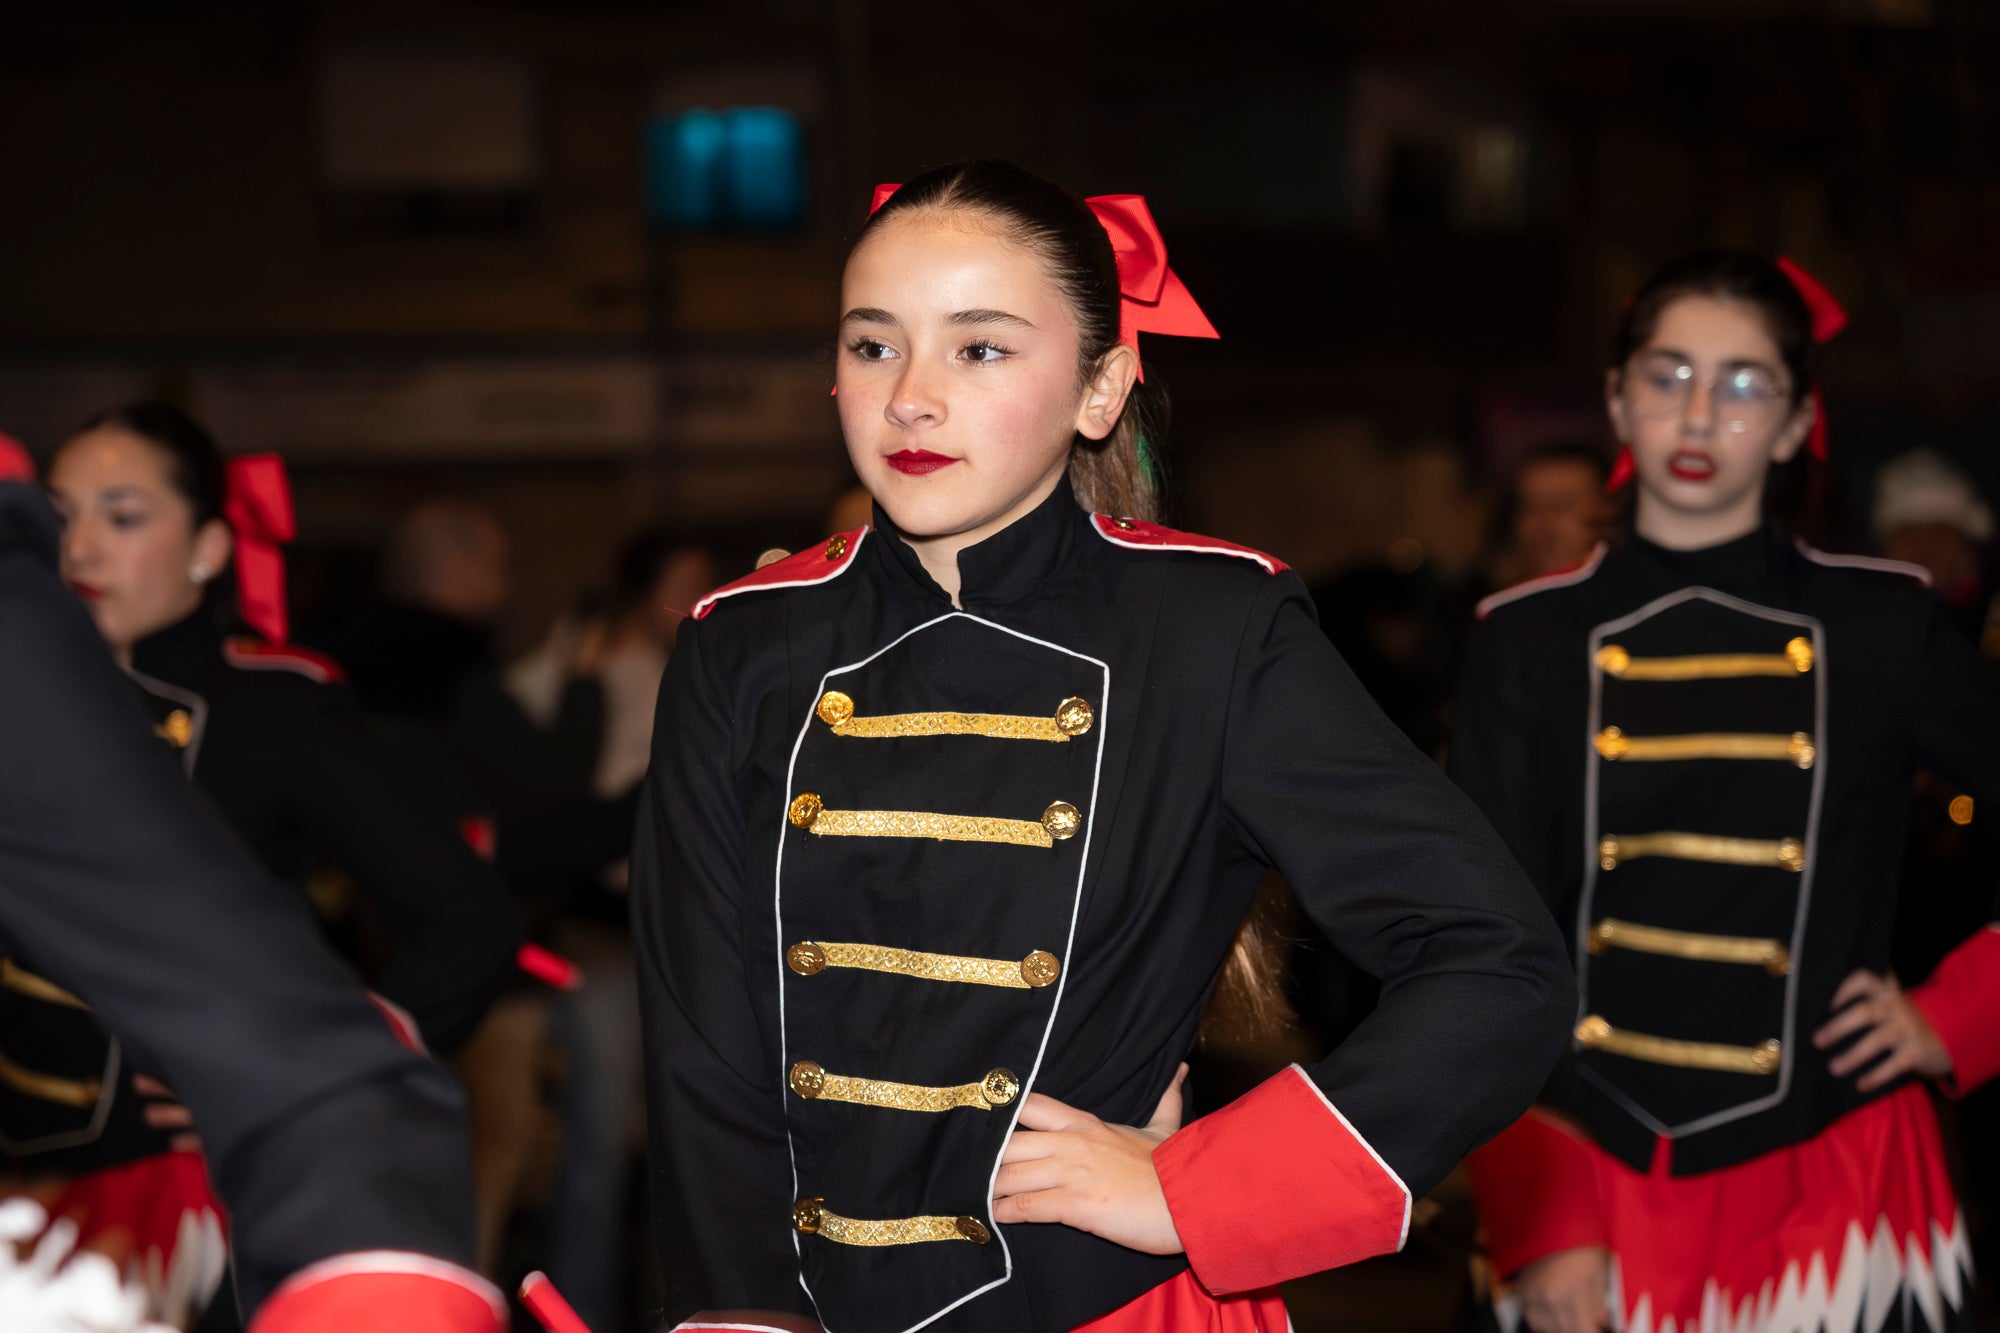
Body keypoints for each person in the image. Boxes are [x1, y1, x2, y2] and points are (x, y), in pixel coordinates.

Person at [633, 158, 1575, 1332]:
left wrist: (1202, 1187)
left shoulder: (1211, 629)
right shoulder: (739, 646)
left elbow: (1498, 960)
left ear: (1099, 389)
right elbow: (701, 1048)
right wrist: (732, 1313)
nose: (910, 397)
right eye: (873, 345)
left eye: (979, 349)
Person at [1452, 252, 2000, 1333]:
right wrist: (1540, 1215)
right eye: (1666, 375)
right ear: (1616, 398)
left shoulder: (1883, 626)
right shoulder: (1522, 641)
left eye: (1744, 383)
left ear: (1797, 422)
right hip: (1582, 1178)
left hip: (1831, 1191)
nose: (1698, 413)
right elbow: (1471, 947)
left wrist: (1960, 1013)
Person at [34, 403, 519, 1326]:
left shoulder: (273, 712)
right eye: (60, 518)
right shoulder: (30, 696)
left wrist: (310, 1075)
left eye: (124, 516)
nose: (82, 549)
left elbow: (468, 917)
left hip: (179, 1205)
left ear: (210, 548)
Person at [1488, 441, 1615, 590]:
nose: (1542, 522)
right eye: (1530, 507)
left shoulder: (1635, 601)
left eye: (1560, 505)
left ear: (1608, 511)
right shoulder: (1491, 604)